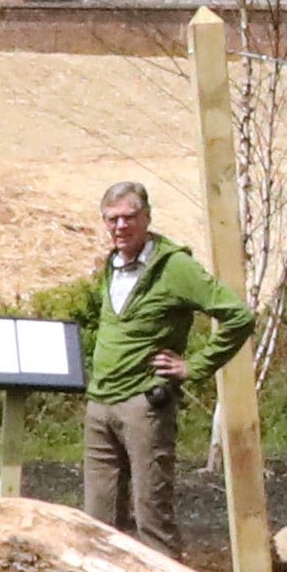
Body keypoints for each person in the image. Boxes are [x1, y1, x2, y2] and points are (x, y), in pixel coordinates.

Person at [73, 179, 254, 549]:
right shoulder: (113, 265)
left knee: (152, 517)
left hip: (144, 406)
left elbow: (238, 316)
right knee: (98, 524)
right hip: (100, 403)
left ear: (147, 218)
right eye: (112, 220)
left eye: (129, 218)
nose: (120, 227)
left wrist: (195, 366)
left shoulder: (175, 267)